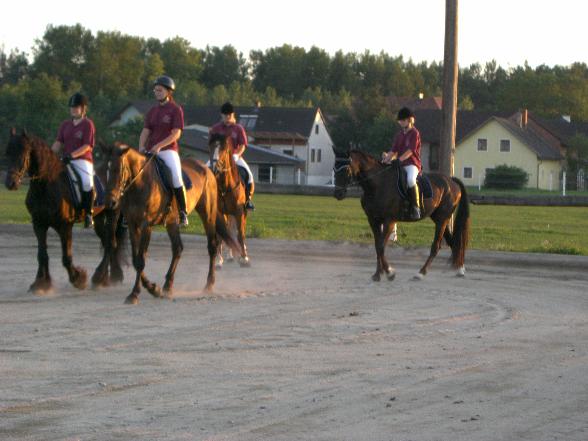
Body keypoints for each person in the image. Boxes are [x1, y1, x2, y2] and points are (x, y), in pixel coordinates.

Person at [139, 75, 189, 227]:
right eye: (155, 90)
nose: (157, 92)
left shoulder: (175, 109)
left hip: (168, 150)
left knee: (175, 177)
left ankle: (183, 212)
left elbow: (176, 133)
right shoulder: (152, 111)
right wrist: (141, 146)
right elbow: (145, 131)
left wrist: (160, 145)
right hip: (150, 151)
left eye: (160, 90)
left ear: (168, 91)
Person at [51, 92, 96, 228]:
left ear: (83, 109)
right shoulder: (65, 125)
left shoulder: (88, 124)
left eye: (76, 107)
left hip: (82, 160)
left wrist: (72, 155)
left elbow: (87, 146)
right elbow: (58, 142)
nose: (73, 110)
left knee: (87, 182)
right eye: (71, 107)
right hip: (65, 159)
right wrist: (49, 155)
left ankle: (88, 213)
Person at [209, 102, 255, 210]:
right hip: (218, 157)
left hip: (234, 157)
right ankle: (206, 198)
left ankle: (248, 200)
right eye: (225, 115)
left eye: (229, 115)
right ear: (222, 115)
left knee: (249, 176)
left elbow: (243, 145)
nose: (227, 117)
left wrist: (236, 155)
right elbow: (211, 144)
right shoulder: (216, 128)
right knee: (205, 171)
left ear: (233, 115)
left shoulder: (238, 128)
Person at [382, 107, 422, 220]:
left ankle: (416, 208)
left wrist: (399, 160)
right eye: (400, 120)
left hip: (412, 164)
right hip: (400, 164)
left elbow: (410, 151)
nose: (400, 122)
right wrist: (385, 159)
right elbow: (393, 151)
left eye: (403, 120)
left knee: (410, 180)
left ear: (410, 120)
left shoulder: (415, 133)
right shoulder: (399, 135)